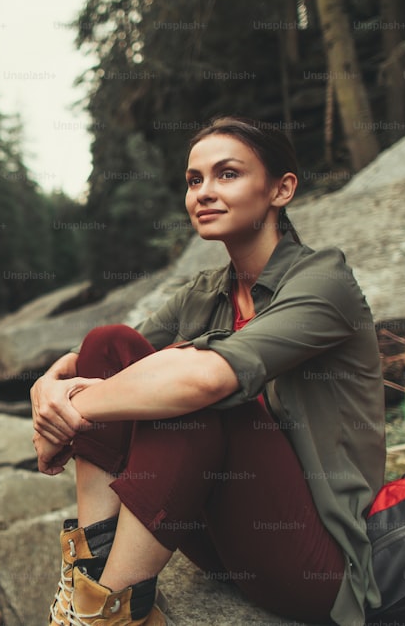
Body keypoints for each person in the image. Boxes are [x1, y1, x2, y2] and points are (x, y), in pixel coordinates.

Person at [30, 116, 385, 626]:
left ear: (281, 189)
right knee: (109, 342)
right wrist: (46, 391)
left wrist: (69, 412)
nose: (204, 192)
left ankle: (107, 612)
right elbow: (105, 360)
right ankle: (92, 577)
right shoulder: (203, 291)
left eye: (228, 175)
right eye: (195, 180)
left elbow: (206, 380)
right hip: (222, 536)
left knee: (196, 397)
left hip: (313, 563)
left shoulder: (324, 281)